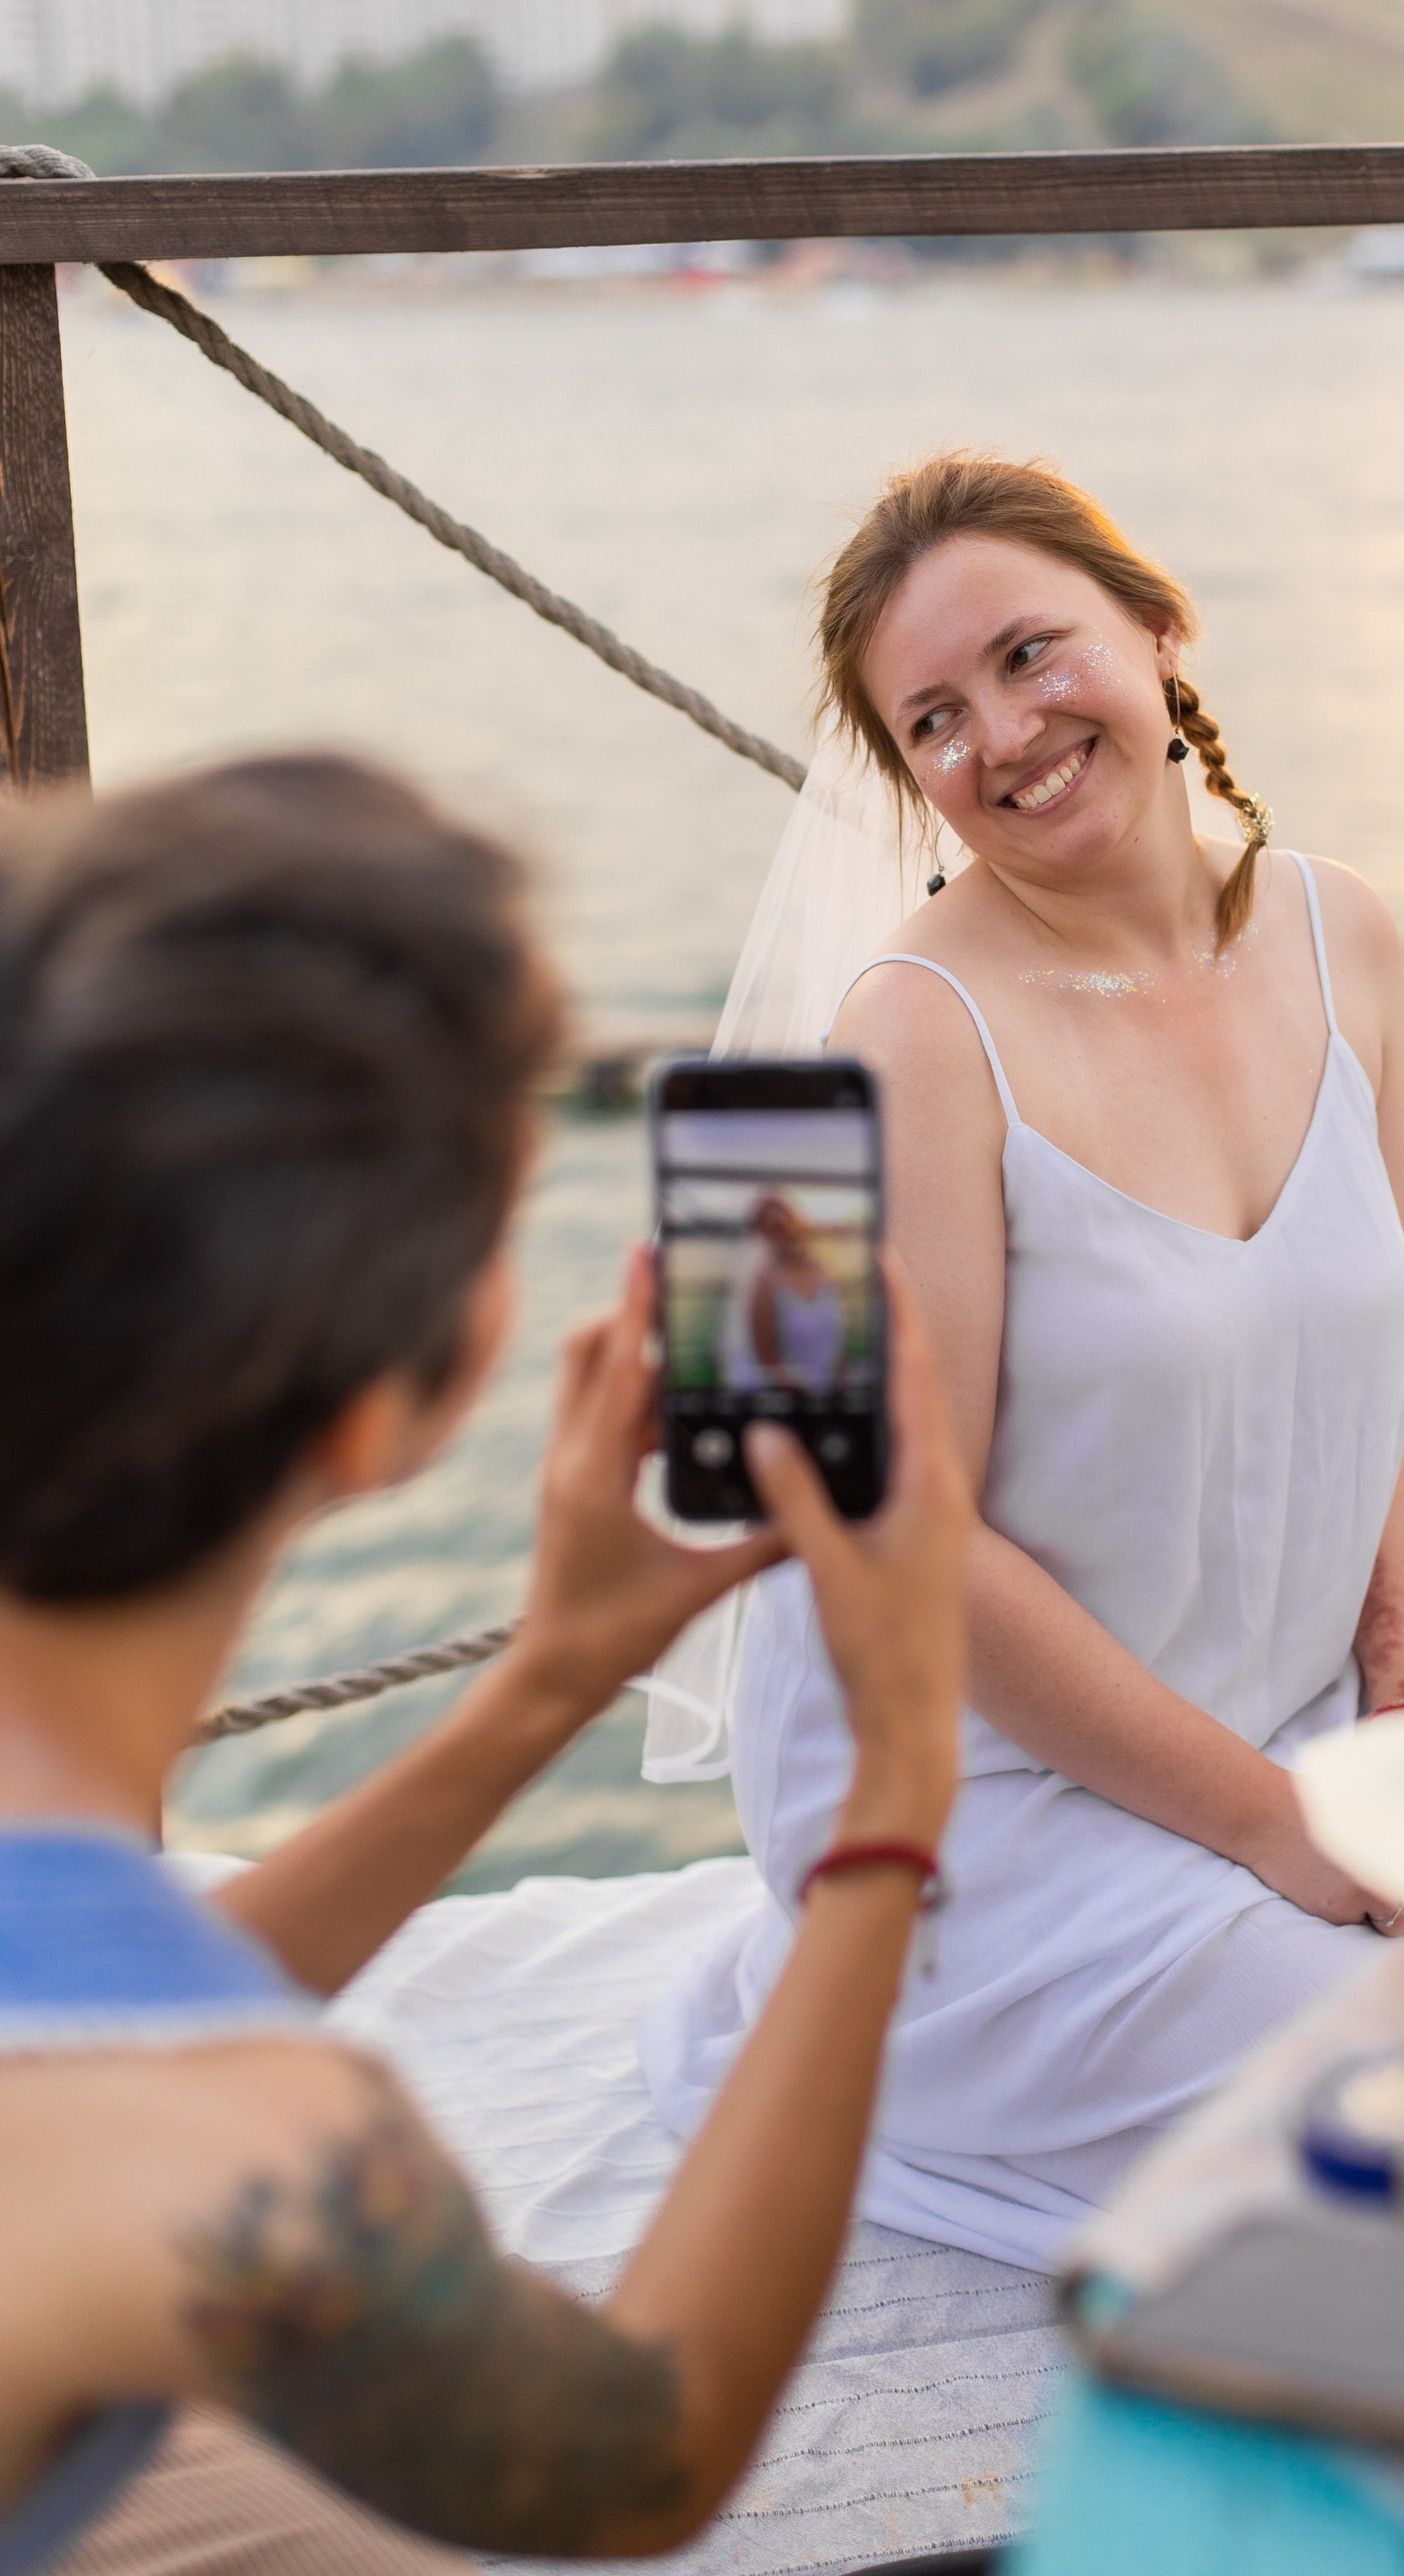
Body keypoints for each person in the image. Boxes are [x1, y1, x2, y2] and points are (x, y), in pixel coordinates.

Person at [0, 754, 971, 2568]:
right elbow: (637, 2454)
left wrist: (547, 1682)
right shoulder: (242, 2174)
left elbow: (91, 1990)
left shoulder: (119, 2059)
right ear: (390, 1413)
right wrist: (897, 1777)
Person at [643, 452, 1404, 2271]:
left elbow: (1383, 1353)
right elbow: (902, 1553)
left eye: (1031, 655)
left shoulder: (1351, 937)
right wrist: (1282, 1840)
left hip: (1283, 1749)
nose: (1002, 733)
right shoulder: (907, 1044)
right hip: (986, 1832)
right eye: (932, 717)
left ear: (1162, 633)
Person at [720, 1193, 848, 1393]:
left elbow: (839, 1340)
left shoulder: (823, 1270)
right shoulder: (764, 1282)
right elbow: (767, 1357)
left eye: (786, 1221)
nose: (784, 1231)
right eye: (773, 1228)